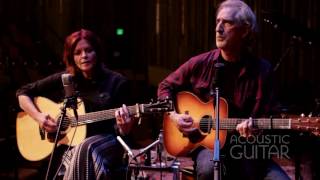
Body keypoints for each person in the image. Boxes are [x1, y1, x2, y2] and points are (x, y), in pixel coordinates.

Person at [157, 1, 290, 180]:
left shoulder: (263, 71)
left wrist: (256, 129)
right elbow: (165, 86)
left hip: (248, 149)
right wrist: (174, 115)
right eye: (218, 21)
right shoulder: (201, 63)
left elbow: (271, 116)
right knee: (209, 170)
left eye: (227, 22)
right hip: (208, 147)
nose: (218, 29)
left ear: (245, 30)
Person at [16, 29, 135, 179]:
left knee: (83, 148)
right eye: (78, 52)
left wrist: (124, 127)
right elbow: (22, 93)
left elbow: (123, 132)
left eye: (88, 50)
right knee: (80, 153)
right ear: (71, 57)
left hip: (108, 143)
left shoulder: (116, 82)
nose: (84, 56)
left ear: (97, 53)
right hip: (70, 145)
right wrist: (39, 117)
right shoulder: (66, 79)